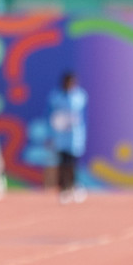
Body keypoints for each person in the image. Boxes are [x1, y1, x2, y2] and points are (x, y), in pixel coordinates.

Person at [49, 72, 87, 203]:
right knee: (62, 164)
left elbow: (79, 115)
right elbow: (52, 117)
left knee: (72, 164)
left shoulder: (79, 96)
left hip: (74, 138)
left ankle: (73, 186)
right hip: (60, 138)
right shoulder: (56, 97)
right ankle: (63, 189)